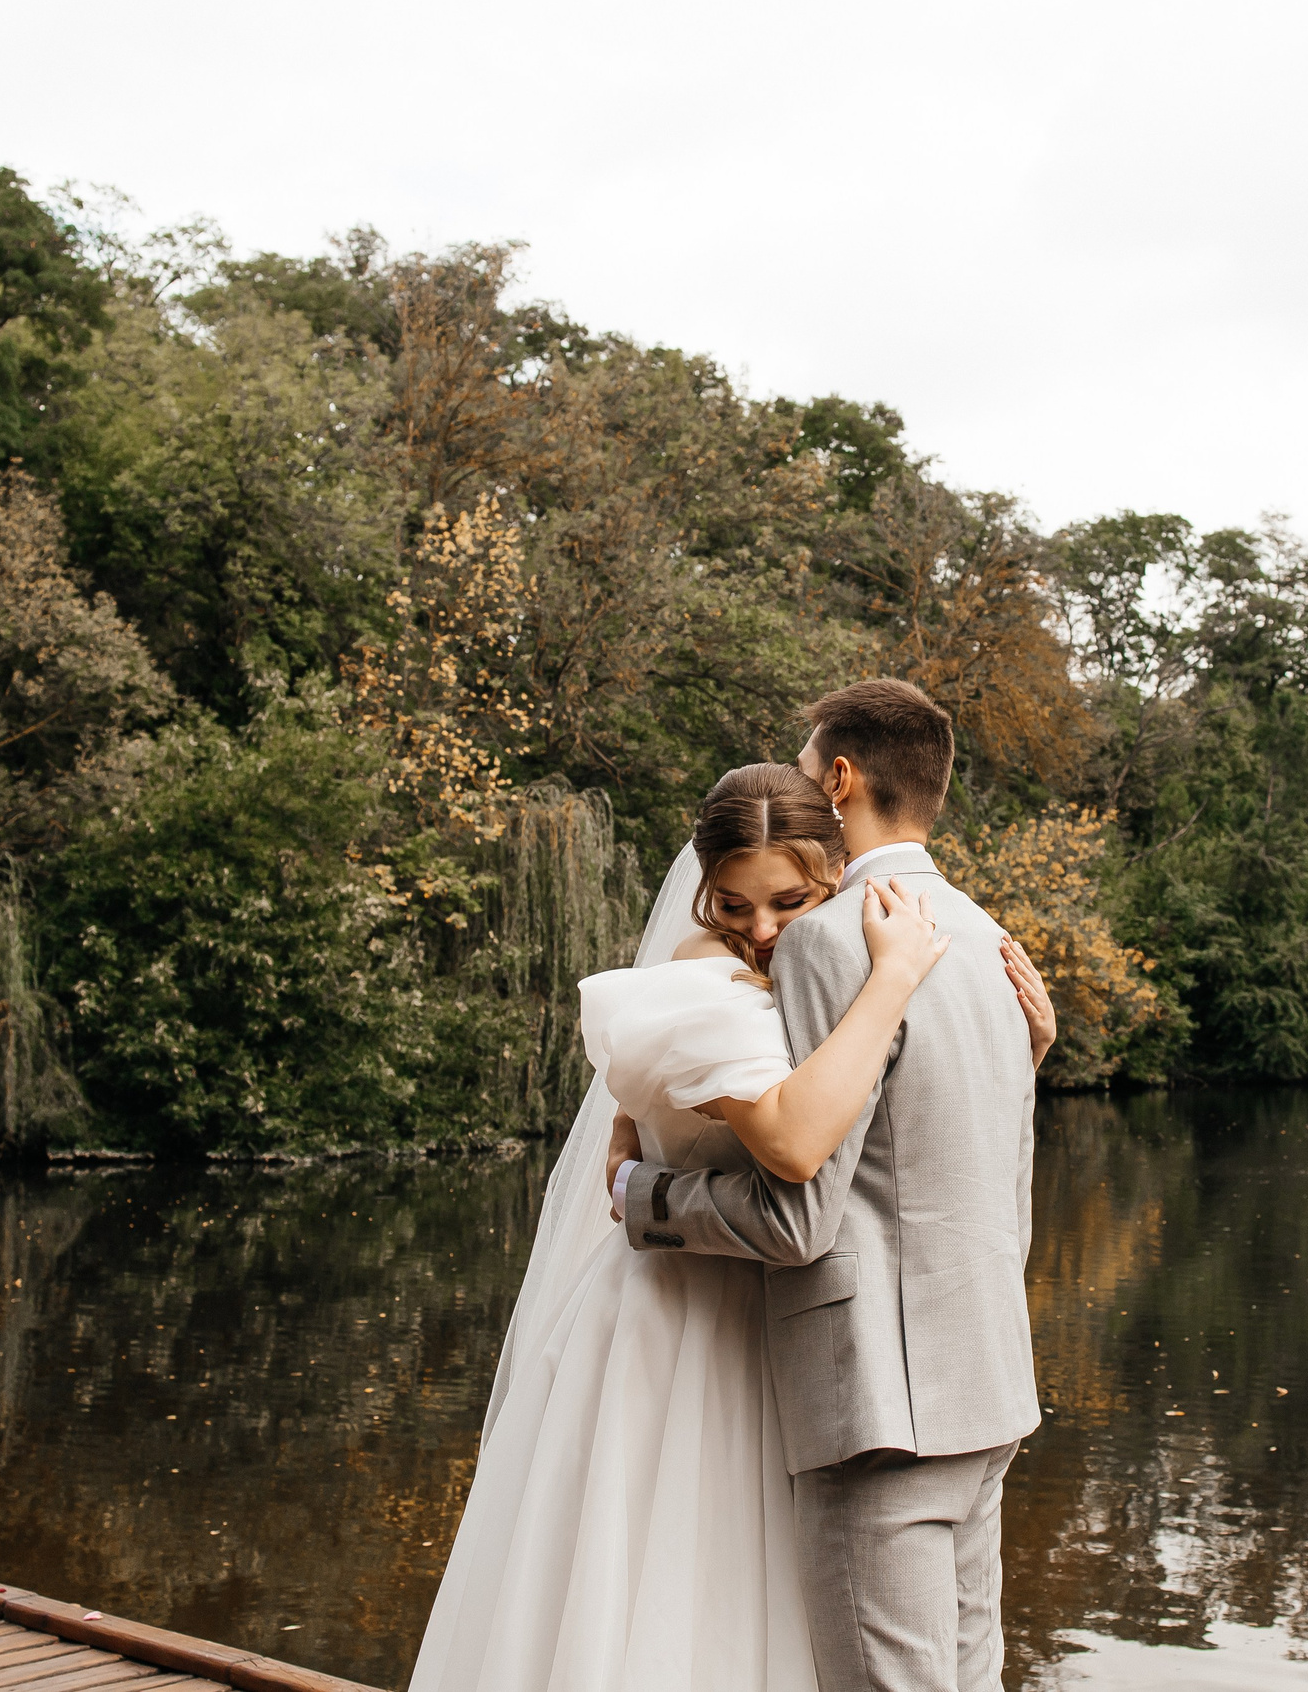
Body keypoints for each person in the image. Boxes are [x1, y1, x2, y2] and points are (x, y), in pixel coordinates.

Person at [406, 742, 1053, 1692]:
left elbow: (891, 1145)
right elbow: (795, 1147)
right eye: (736, 904)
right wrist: (891, 981)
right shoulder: (708, 981)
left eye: (788, 901)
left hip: (792, 1332)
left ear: (832, 868)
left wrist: (1018, 1055)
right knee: (663, 1597)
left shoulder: (822, 971)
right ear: (703, 891)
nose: (763, 930)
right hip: (685, 1323)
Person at [614, 679, 1045, 1692]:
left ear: (839, 777)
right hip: (986, 1386)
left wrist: (641, 1194)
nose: (797, 784)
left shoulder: (825, 939)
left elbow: (799, 1217)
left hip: (879, 1400)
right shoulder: (984, 934)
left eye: (805, 770)